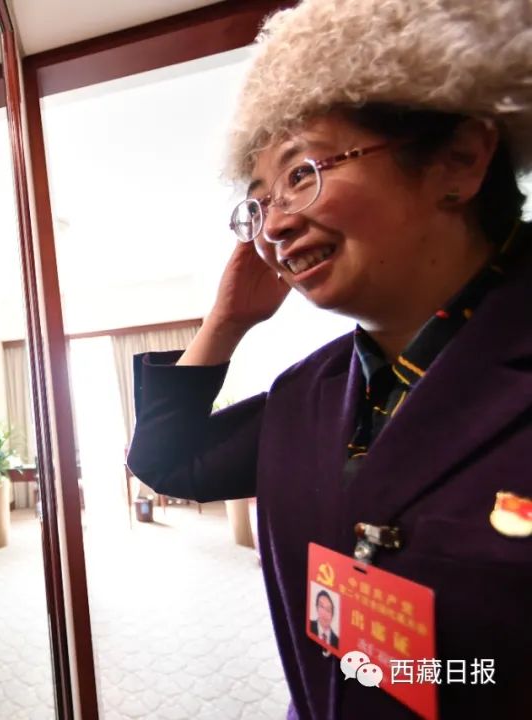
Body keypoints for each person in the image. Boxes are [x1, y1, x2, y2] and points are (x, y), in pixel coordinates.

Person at [127, 0, 530, 717]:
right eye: (259, 204)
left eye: (302, 171)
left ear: (460, 160)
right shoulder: (308, 392)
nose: (275, 226)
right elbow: (168, 464)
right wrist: (225, 321)